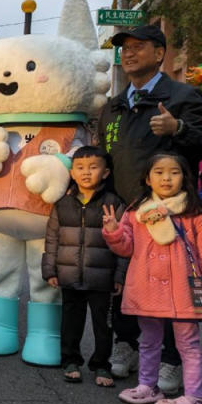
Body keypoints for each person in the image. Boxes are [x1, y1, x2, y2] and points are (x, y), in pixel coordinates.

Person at [97, 23, 202, 389]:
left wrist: (177, 128)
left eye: (138, 47)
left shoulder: (183, 96)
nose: (128, 53)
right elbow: (105, 155)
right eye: (124, 48)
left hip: (170, 216)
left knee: (172, 289)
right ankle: (126, 345)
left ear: (160, 54)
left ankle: (172, 359)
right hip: (125, 212)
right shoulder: (114, 106)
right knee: (127, 284)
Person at [103, 153, 202, 404]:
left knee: (189, 344)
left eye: (174, 172)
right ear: (147, 179)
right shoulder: (136, 211)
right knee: (148, 340)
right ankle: (148, 386)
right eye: (159, 172)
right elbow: (125, 248)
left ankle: (194, 397)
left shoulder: (193, 212)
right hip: (146, 288)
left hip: (183, 289)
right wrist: (114, 231)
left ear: (185, 177)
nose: (166, 178)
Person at [42, 146, 126, 386]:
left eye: (93, 167)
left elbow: (123, 243)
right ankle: (70, 360)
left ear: (106, 172)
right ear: (72, 172)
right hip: (69, 274)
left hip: (103, 278)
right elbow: (52, 239)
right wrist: (50, 269)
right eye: (80, 168)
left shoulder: (113, 203)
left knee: (103, 323)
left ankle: (101, 364)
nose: (86, 173)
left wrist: (120, 275)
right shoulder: (62, 203)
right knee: (70, 320)